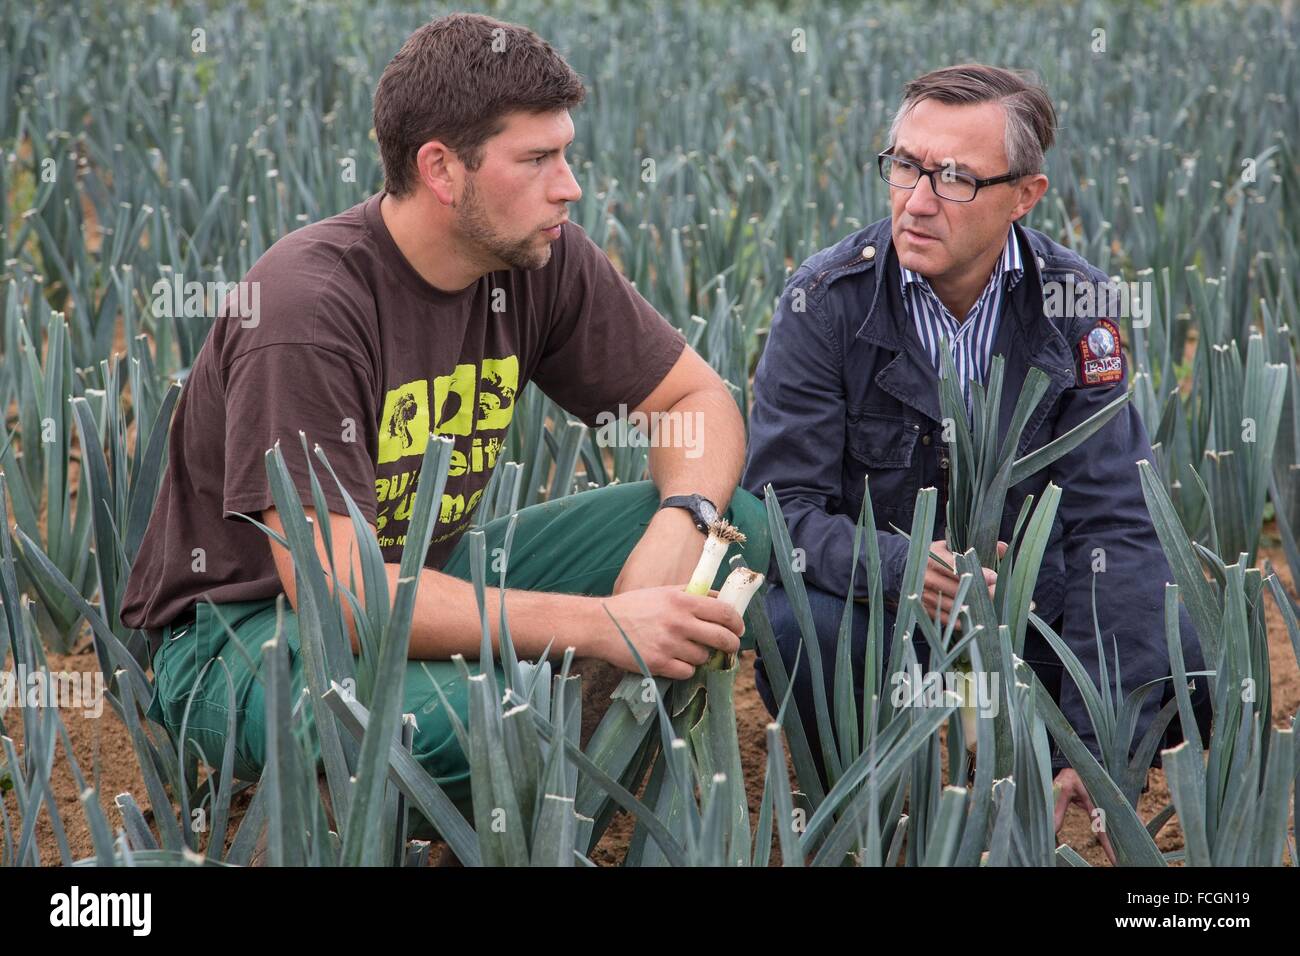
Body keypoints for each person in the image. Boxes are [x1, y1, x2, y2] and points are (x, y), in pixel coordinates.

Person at [120, 13, 770, 831]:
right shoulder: (308, 309)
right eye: (536, 160)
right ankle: (355, 819)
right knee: (481, 718)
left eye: (564, 153)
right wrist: (603, 625)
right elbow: (342, 600)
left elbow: (696, 403)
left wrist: (685, 520)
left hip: (427, 575)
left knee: (736, 527)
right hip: (241, 634)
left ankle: (525, 810)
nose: (569, 184)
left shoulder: (536, 256)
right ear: (441, 169)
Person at [742, 64, 1210, 858]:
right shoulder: (826, 303)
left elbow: (1120, 525)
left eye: (955, 178)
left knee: (1183, 646)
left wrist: (1094, 748)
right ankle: (867, 805)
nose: (916, 200)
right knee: (794, 622)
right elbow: (778, 514)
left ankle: (1030, 769)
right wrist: (898, 566)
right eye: (904, 165)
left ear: (1025, 194)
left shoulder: (1075, 306)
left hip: (1032, 620)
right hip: (883, 622)